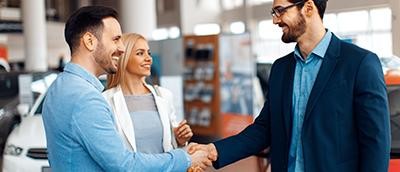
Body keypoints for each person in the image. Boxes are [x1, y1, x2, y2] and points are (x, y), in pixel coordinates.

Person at [189, 0, 391, 171]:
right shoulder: (281, 69)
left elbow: (376, 141)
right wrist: (213, 150)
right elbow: (264, 129)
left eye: (280, 11)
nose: (275, 20)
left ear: (309, 8)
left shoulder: (359, 63)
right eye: (273, 12)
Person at [42, 6, 211, 171]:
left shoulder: (57, 88)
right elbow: (125, 165)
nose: (122, 48)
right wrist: (185, 158)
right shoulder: (86, 99)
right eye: (115, 39)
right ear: (89, 41)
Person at [103, 33, 193, 154]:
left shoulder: (164, 95)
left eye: (148, 53)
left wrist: (180, 140)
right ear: (123, 58)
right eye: (140, 53)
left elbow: (171, 145)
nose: (149, 59)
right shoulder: (105, 100)